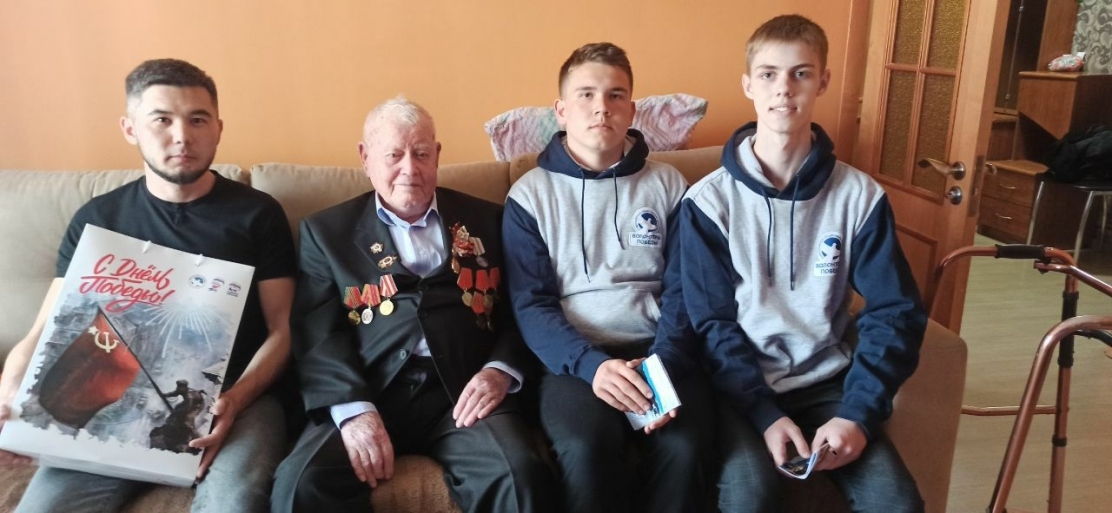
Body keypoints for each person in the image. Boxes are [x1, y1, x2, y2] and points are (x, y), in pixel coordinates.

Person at [0, 58, 297, 512]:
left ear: (218, 129)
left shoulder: (258, 214)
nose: (182, 136)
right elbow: (44, 328)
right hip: (113, 401)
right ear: (130, 128)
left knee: (232, 504)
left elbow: (283, 329)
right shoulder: (97, 220)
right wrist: (10, 396)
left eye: (198, 119)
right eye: (162, 119)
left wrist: (236, 399)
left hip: (240, 401)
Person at [658, 14, 928, 512]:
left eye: (801, 73)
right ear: (748, 85)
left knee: (897, 502)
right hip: (737, 389)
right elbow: (711, 322)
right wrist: (763, 413)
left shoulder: (860, 196)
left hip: (827, 384)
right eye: (768, 74)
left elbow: (896, 312)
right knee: (751, 496)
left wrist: (858, 414)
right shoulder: (707, 203)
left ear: (823, 81)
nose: (784, 88)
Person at [271, 97, 556, 513]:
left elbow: (523, 310)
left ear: (437, 155)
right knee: (300, 485)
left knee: (519, 476)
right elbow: (317, 334)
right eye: (394, 155)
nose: (410, 168)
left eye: (421, 153)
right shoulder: (326, 232)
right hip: (370, 389)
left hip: (464, 391)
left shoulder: (490, 220)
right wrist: (354, 411)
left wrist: (500, 371)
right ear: (365, 157)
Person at [502, 42, 713, 512]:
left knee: (686, 448)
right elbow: (531, 304)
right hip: (575, 361)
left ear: (632, 110)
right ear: (561, 111)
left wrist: (663, 365)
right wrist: (592, 366)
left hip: (661, 349)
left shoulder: (670, 185)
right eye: (586, 94)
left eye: (616, 95)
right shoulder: (528, 196)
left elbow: (685, 289)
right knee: (586, 448)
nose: (602, 107)